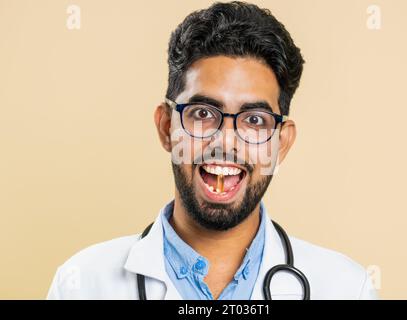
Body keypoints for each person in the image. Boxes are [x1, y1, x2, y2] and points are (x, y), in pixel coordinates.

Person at [47, 1, 378, 300]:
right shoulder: (81, 285)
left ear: (282, 143)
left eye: (254, 119)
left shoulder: (346, 288)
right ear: (166, 128)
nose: (226, 141)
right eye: (203, 114)